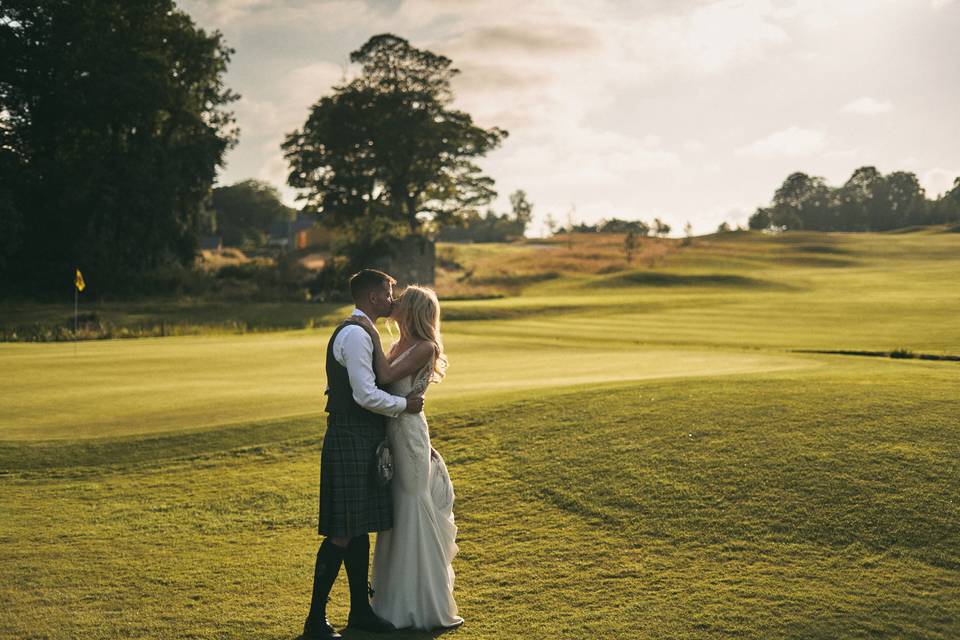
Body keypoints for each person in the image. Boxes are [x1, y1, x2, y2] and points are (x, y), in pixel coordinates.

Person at [303, 269, 425, 640]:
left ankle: (360, 612)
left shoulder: (365, 331)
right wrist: (405, 404)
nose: (394, 298)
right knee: (343, 531)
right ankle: (314, 621)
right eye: (389, 293)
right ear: (373, 297)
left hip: (363, 438)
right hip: (349, 437)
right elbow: (365, 395)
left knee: (357, 530)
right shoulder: (356, 335)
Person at [351, 285, 464, 630]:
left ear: (412, 309)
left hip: (410, 436)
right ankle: (392, 603)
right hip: (394, 433)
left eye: (400, 300)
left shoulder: (424, 347)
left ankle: (423, 607)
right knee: (397, 515)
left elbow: (384, 377)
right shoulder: (399, 344)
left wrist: (366, 325)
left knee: (412, 508)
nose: (393, 302)